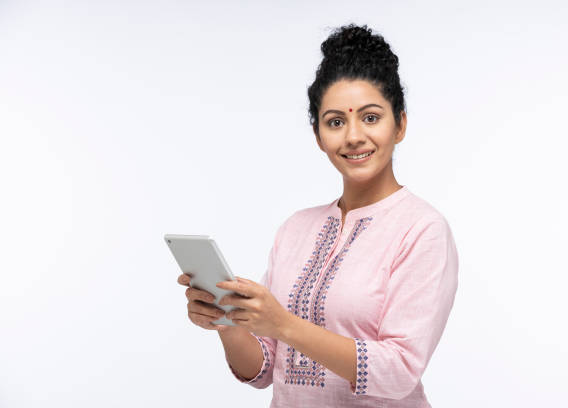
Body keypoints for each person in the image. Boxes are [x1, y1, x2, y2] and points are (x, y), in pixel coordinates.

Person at [177, 23, 458, 407]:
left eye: (371, 117)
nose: (354, 136)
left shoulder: (421, 230)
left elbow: (399, 371)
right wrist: (226, 319)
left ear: (401, 124)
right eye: (336, 122)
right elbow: (263, 369)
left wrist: (283, 325)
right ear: (318, 135)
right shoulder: (296, 229)